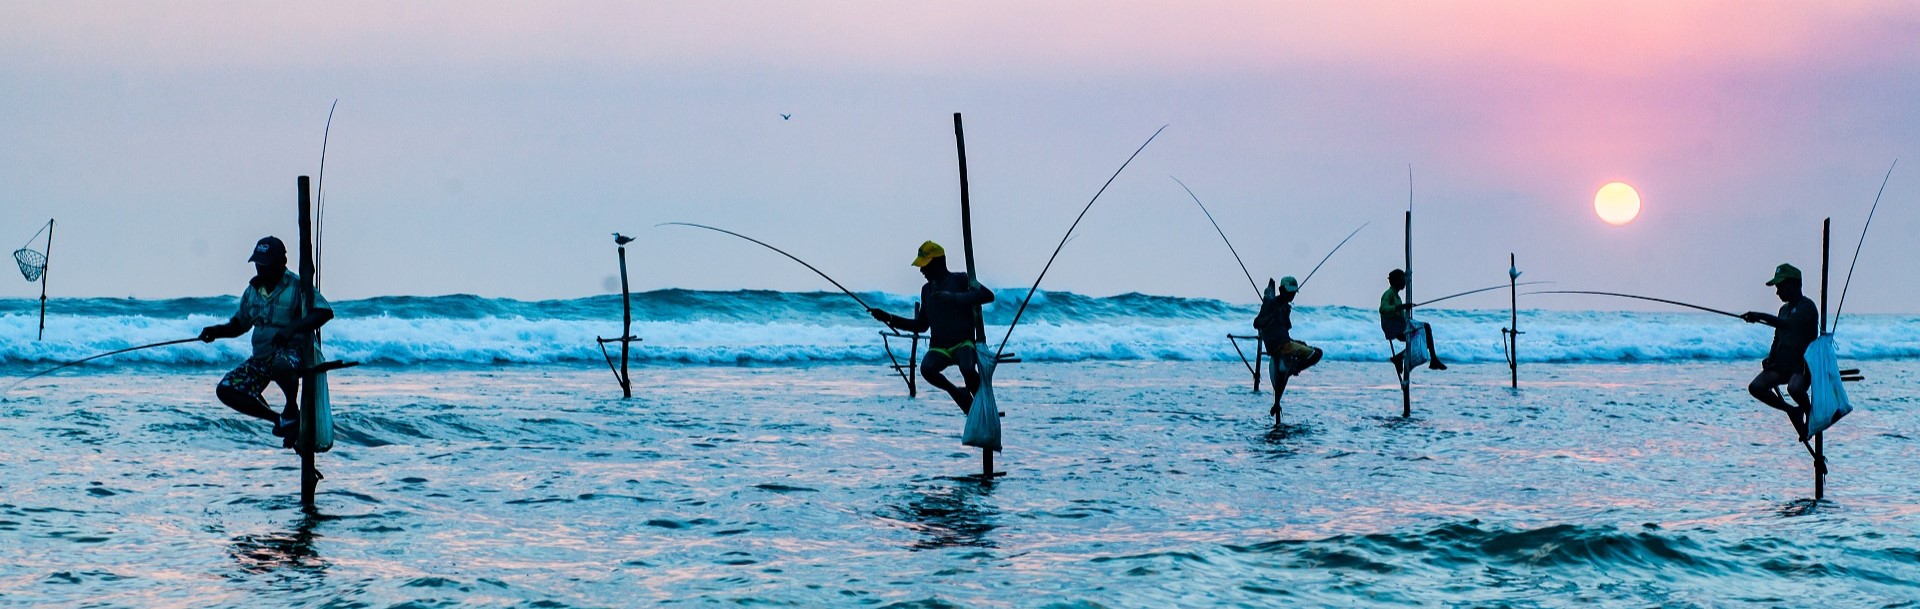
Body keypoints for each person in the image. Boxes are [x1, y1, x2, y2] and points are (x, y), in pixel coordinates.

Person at [197, 237, 335, 448]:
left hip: (291, 355)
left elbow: (323, 312)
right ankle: (278, 419)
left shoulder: (297, 286)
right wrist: (215, 331)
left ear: (281, 263)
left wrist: (291, 329)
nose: (261, 270)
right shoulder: (252, 291)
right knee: (225, 389)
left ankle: (291, 408)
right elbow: (238, 325)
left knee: (281, 364)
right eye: (258, 264)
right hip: (260, 359)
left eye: (266, 264)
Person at [870, 241, 995, 414]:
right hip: (939, 348)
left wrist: (953, 298)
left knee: (967, 368)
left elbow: (987, 295)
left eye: (925, 266)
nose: (922, 271)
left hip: (963, 343)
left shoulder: (960, 280)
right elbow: (921, 326)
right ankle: (958, 393)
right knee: (927, 369)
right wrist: (889, 318)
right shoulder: (926, 290)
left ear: (938, 263)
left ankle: (983, 404)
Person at [1741, 263, 1819, 442]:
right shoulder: (1783, 310)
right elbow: (1778, 336)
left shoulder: (1807, 307)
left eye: (1781, 287)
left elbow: (1788, 325)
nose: (1778, 292)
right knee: (1756, 387)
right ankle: (1792, 410)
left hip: (1802, 366)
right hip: (1782, 365)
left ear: (1795, 285)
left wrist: (1759, 316)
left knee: (1794, 389)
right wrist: (1771, 357)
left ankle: (1810, 415)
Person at [1253, 276, 1323, 419]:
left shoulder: (1285, 307)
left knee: (1307, 348)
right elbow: (1257, 322)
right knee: (1317, 354)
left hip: (1285, 342)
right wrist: (1271, 317)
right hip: (1279, 346)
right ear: (1280, 290)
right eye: (1288, 292)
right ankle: (1293, 368)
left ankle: (1278, 399)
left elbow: (1285, 329)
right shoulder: (1272, 304)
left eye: (1293, 293)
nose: (1290, 295)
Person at [1380, 269, 1447, 372]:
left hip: (1399, 324)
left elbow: (1400, 314)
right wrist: (1401, 307)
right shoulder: (1389, 293)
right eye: (1402, 280)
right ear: (1396, 281)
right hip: (1393, 327)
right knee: (1425, 327)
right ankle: (1433, 359)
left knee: (1421, 335)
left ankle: (1399, 357)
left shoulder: (1397, 297)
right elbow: (1383, 309)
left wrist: (1406, 314)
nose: (1405, 282)